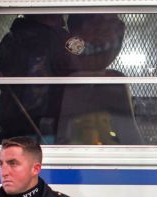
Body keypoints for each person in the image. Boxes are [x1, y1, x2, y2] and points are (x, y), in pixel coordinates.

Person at [56, 13, 144, 145]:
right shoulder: (74, 44)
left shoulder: (112, 78)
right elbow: (77, 56)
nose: (118, 26)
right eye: (109, 21)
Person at [0, 14, 72, 143]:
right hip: (52, 120)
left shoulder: (11, 38)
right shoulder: (61, 39)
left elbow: (3, 75)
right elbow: (75, 67)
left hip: (14, 121)